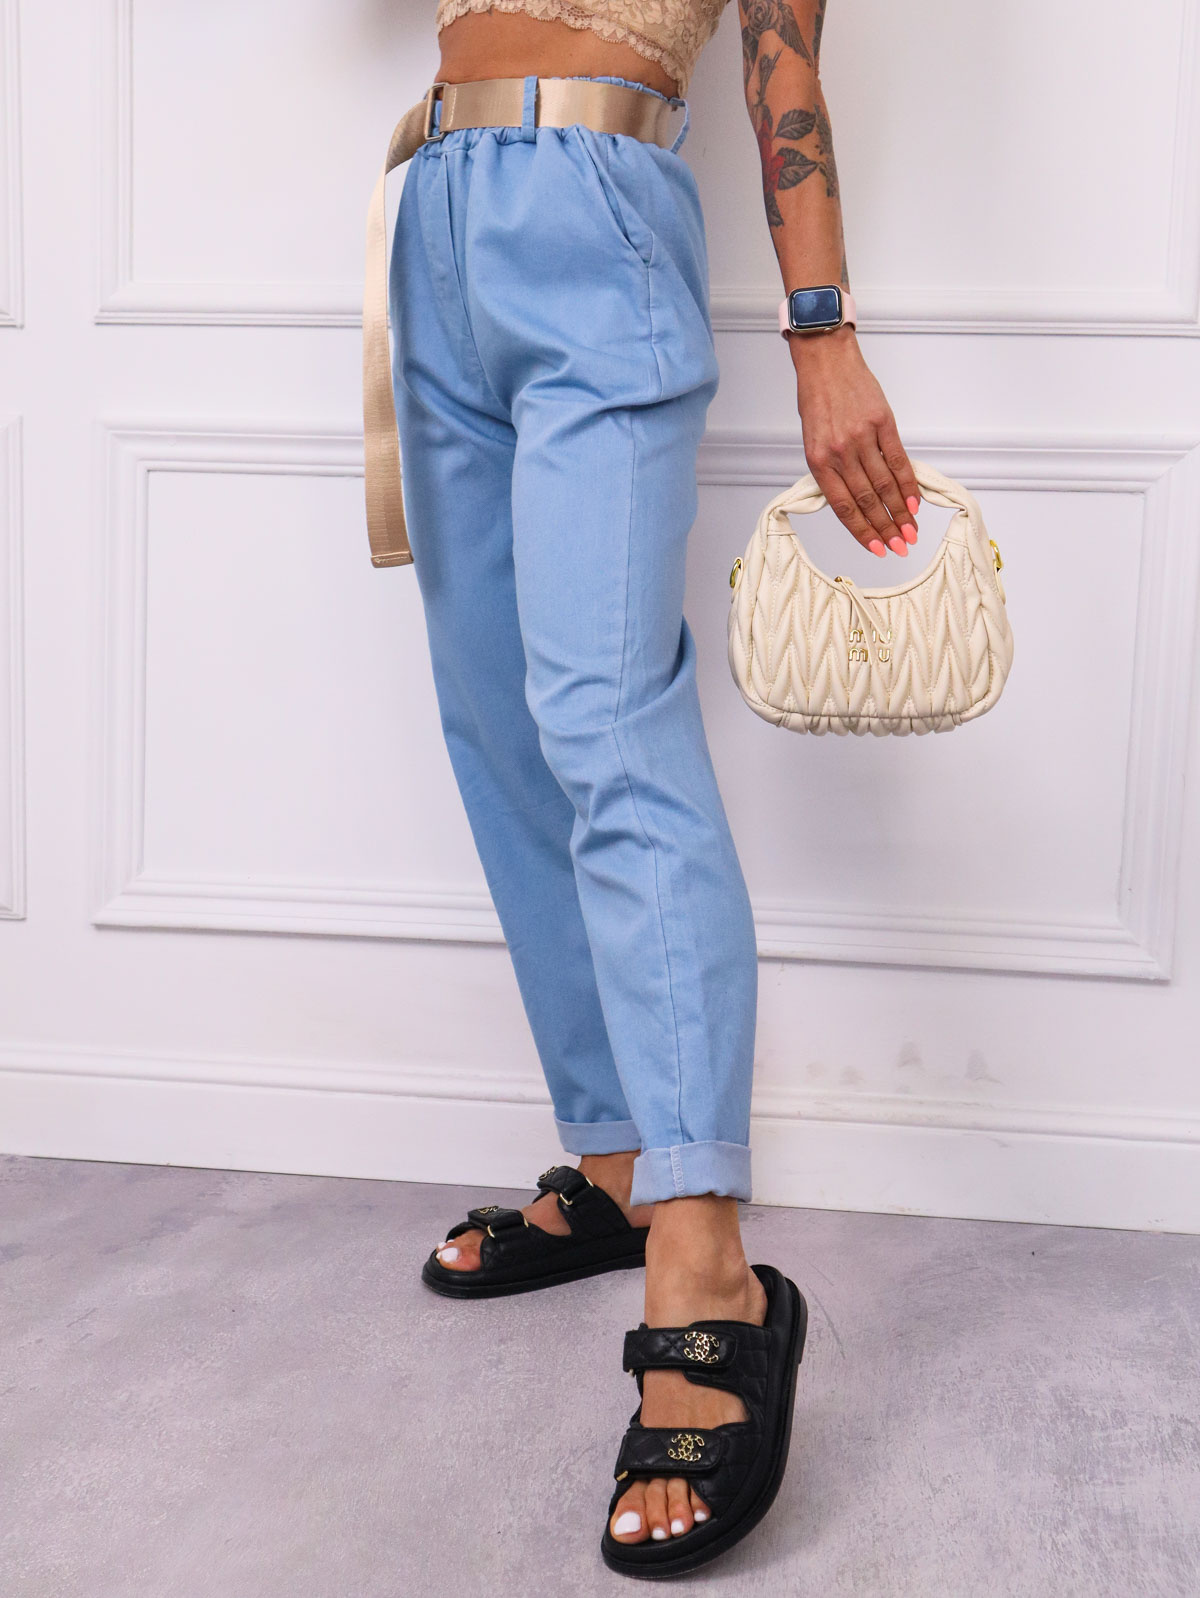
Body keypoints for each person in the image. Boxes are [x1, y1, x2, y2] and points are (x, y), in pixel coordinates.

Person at [386, 0, 919, 1575]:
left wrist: (822, 332)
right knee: (499, 721)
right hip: (433, 206)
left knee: (610, 725)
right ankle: (618, 1160)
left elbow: (783, 54)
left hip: (597, 206)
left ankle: (708, 1267)